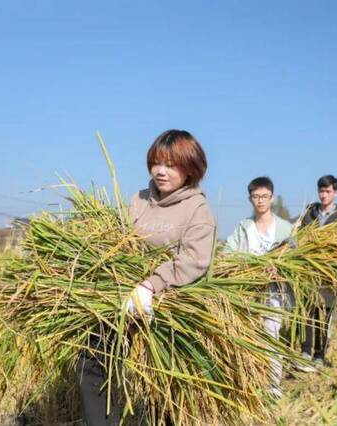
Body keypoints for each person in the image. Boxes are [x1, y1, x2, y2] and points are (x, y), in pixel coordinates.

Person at [76, 129, 216, 425]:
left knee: (162, 386)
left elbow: (194, 260)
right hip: (122, 301)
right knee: (91, 360)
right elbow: (117, 242)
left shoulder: (197, 209)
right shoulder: (138, 201)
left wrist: (150, 284)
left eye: (171, 165)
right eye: (156, 163)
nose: (160, 171)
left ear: (191, 168)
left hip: (168, 309)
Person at [224, 176, 293, 398]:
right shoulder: (244, 227)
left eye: (264, 196)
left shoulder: (286, 228)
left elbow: (294, 261)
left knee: (271, 336)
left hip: (275, 292)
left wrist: (279, 270)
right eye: (255, 197)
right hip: (247, 292)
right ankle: (249, 382)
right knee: (248, 336)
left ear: (272, 198)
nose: (260, 201)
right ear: (250, 199)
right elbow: (228, 253)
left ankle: (273, 386)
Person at [297, 174, 337, 372]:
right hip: (309, 271)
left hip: (328, 275)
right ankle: (305, 351)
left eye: (328, 191)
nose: (324, 195)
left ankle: (320, 354)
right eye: (321, 191)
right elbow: (300, 235)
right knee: (307, 313)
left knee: (325, 316)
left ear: (335, 193)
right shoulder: (310, 213)